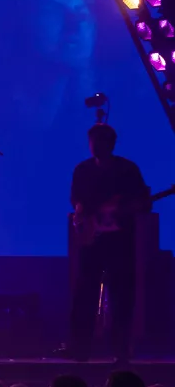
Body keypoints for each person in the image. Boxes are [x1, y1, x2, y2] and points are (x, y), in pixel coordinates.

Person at [68, 122, 149, 362]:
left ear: (110, 143)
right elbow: (76, 199)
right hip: (91, 239)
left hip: (120, 241)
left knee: (121, 294)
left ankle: (121, 349)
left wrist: (126, 209)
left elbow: (143, 201)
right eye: (92, 140)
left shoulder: (127, 170)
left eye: (99, 140)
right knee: (85, 292)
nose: (94, 145)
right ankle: (81, 348)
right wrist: (82, 214)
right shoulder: (82, 170)